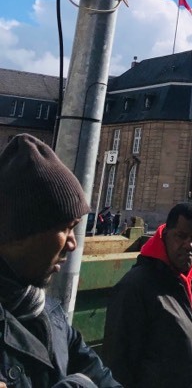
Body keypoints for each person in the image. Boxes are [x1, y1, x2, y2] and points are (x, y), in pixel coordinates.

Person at [0, 133, 120, 387]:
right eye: (66, 227)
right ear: (23, 230)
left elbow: (102, 378)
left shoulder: (47, 311)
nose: (73, 244)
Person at [103, 202, 192, 388]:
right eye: (180, 236)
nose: (189, 245)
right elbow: (118, 367)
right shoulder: (135, 287)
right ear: (165, 235)